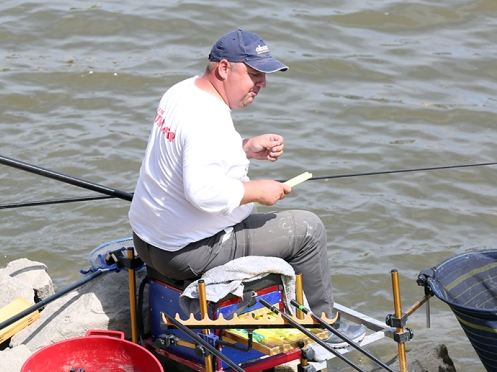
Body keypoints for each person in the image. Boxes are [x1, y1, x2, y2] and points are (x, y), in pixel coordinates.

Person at [128, 29, 365, 347]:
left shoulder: (182, 92)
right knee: (308, 229)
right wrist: (258, 190)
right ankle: (323, 325)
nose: (262, 84)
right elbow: (203, 191)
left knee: (294, 225)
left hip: (147, 240)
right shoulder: (210, 119)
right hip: (185, 252)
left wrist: (245, 147)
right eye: (253, 74)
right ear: (224, 68)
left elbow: (193, 156)